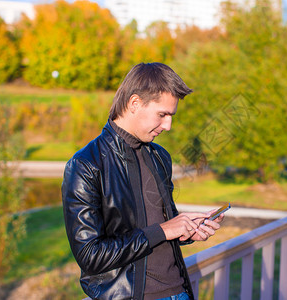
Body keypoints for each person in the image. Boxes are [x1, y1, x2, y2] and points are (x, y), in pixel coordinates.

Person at [62, 63, 224, 300]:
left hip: (180, 292)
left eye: (171, 116)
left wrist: (188, 230)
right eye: (162, 115)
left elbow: (159, 227)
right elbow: (91, 256)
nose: (168, 126)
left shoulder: (160, 157)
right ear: (134, 103)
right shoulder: (86, 165)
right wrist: (164, 230)